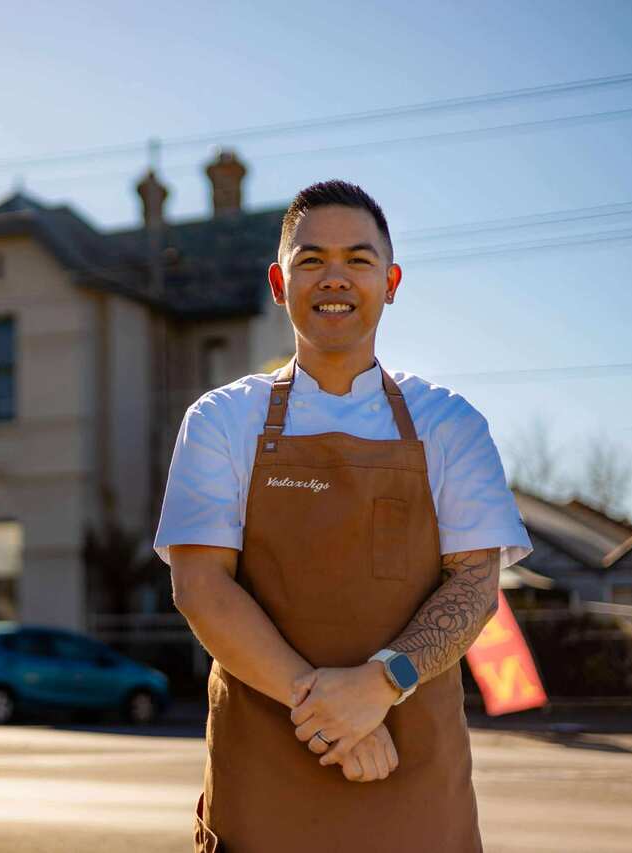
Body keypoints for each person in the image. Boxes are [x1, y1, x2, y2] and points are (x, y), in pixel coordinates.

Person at [153, 180, 532, 852]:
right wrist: (333, 708)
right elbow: (201, 586)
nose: (335, 278)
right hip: (261, 780)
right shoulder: (220, 419)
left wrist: (384, 682)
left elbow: (475, 586)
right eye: (311, 259)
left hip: (415, 776)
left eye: (358, 260)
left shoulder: (450, 423)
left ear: (390, 281)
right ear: (279, 281)